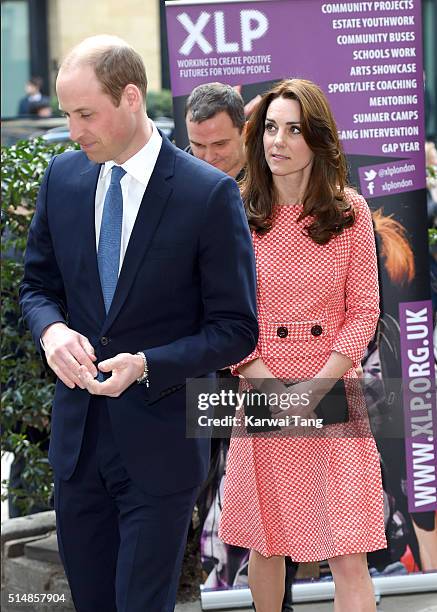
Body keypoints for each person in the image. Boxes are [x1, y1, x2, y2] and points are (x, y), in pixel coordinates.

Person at [19, 35, 258, 612]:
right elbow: (37, 288)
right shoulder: (64, 180)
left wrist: (149, 363)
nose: (73, 130)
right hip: (78, 448)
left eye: (84, 113)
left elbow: (234, 329)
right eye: (66, 114)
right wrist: (51, 332)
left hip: (161, 448)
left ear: (130, 98)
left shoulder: (207, 194)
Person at [218, 79, 387, 612]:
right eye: (270, 128)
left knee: (348, 548)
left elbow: (364, 312)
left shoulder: (351, 213)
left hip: (332, 383)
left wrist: (317, 386)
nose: (278, 141)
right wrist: (267, 381)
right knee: (266, 544)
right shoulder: (235, 213)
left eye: (293, 129)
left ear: (318, 139)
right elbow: (225, 315)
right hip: (263, 380)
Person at [186, 81, 298, 611]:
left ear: (245, 134)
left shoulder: (273, 190)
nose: (207, 158)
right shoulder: (178, 188)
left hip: (271, 372)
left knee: (281, 512)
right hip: (200, 376)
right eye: (196, 147)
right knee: (201, 499)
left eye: (219, 147)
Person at [185, 82, 246, 180]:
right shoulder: (174, 179)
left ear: (245, 131)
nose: (209, 158)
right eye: (198, 145)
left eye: (220, 144)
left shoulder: (272, 177)